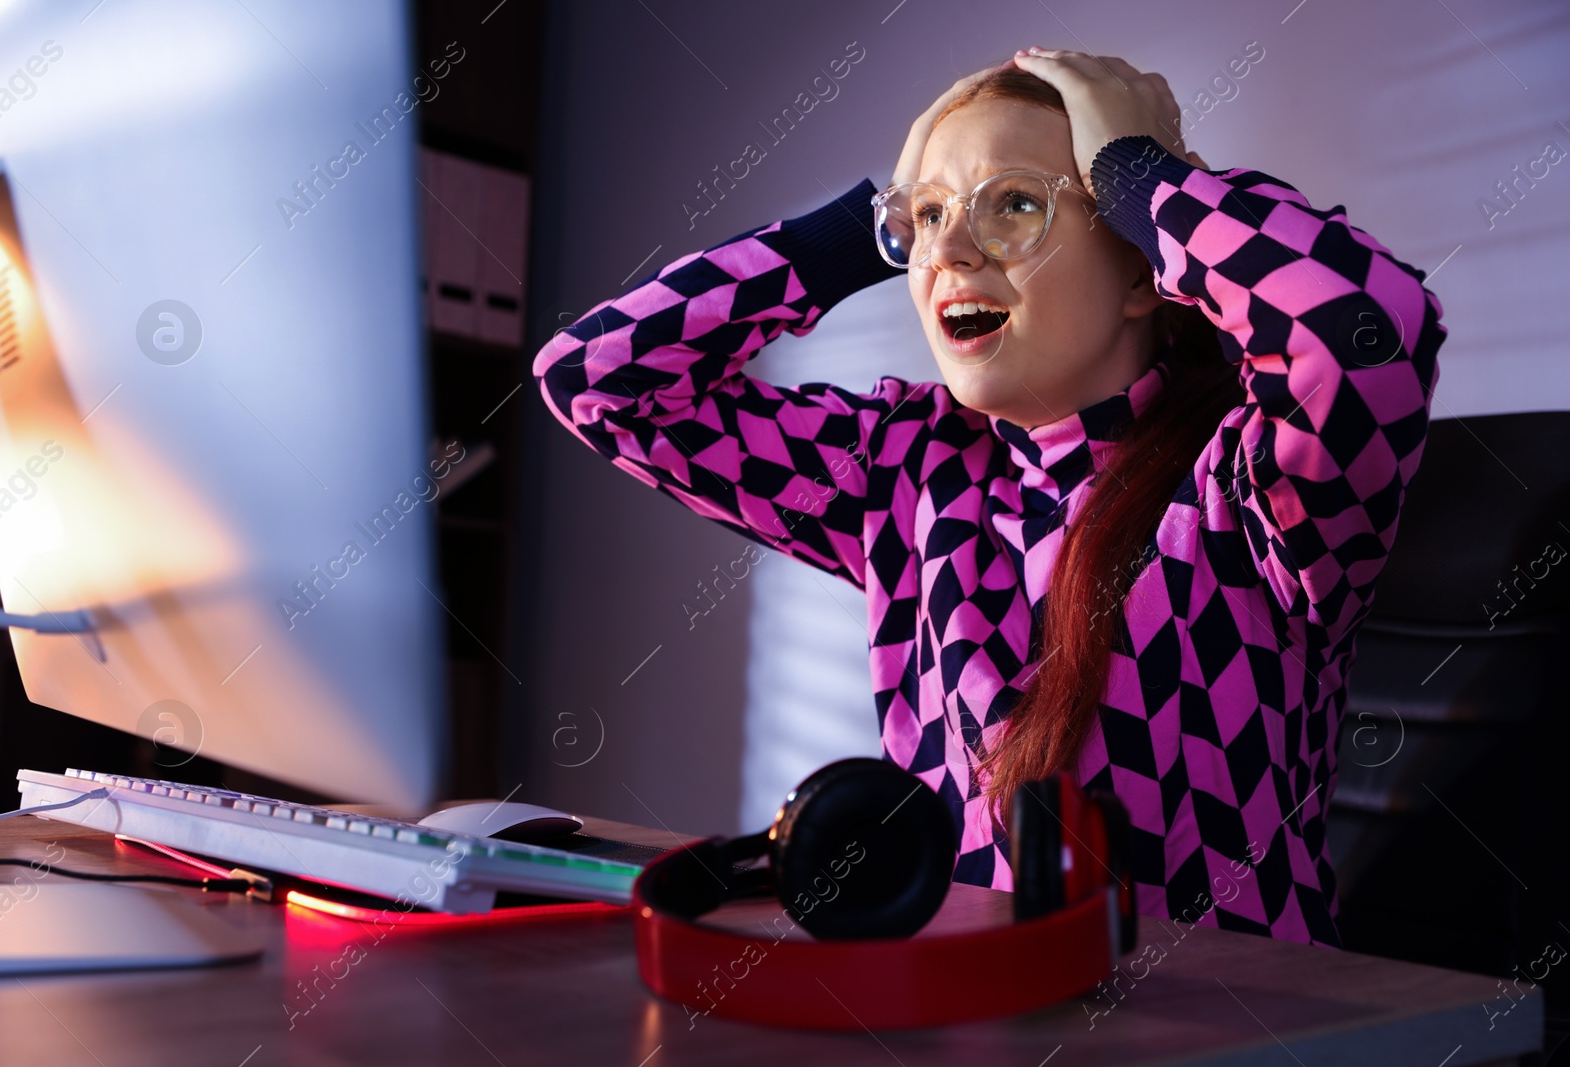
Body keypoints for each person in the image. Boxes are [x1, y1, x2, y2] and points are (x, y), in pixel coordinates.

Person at [531, 48, 1446, 947]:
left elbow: (1365, 323)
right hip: (967, 1019)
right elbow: (600, 380)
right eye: (929, 218)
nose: (951, 252)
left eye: (1013, 205)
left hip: (1239, 1032)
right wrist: (863, 231)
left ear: (1141, 271)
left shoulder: (1252, 484)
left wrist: (1142, 176)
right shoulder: (901, 470)